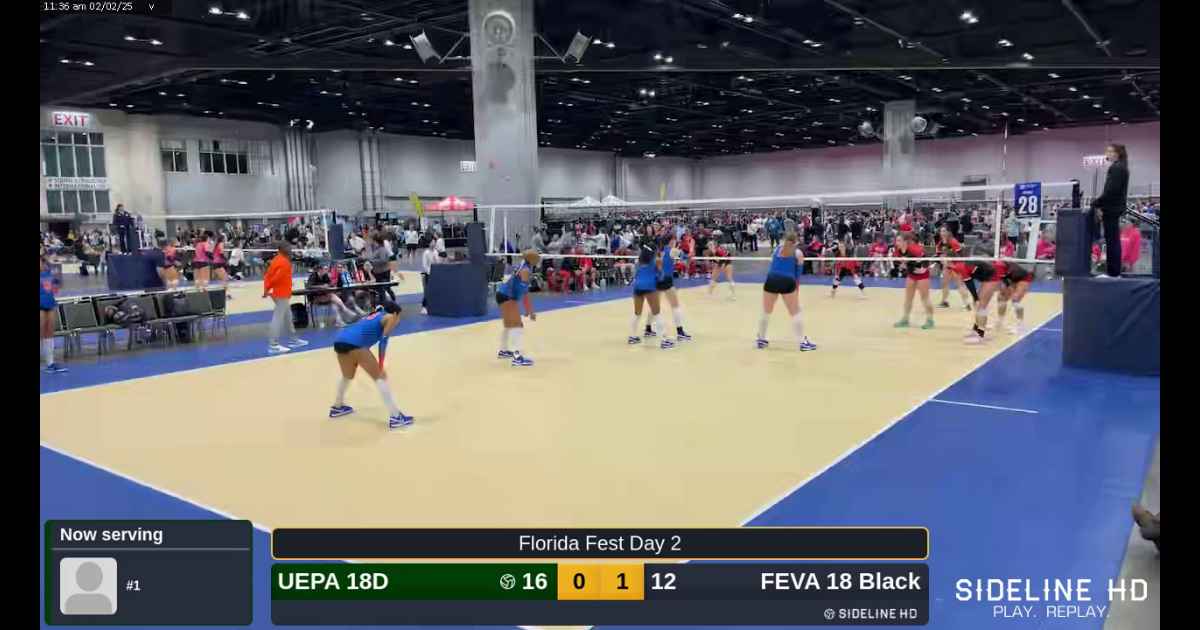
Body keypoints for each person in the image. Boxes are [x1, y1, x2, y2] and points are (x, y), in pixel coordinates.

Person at [330, 301, 413, 429]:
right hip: (356, 344)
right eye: (399, 317)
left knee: (347, 376)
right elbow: (383, 342)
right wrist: (381, 365)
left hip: (340, 341)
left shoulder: (375, 315)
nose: (399, 320)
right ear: (395, 313)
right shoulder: (390, 317)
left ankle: (337, 406)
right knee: (380, 378)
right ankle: (396, 417)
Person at [756, 232, 817, 351]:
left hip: (771, 279)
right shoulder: (798, 253)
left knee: (766, 311)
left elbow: (773, 266)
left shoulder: (776, 250)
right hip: (787, 281)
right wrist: (796, 290)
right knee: (795, 312)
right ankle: (802, 342)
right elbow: (798, 274)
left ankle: (761, 339)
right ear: (796, 242)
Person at [1091, 143, 1130, 278]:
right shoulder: (1121, 167)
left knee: (1112, 241)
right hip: (1114, 208)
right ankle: (1114, 272)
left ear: (1117, 153)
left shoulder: (1117, 168)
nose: (1106, 153)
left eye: (1109, 151)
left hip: (1112, 209)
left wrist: (1096, 202)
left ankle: (1113, 273)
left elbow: (1111, 191)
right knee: (1113, 241)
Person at [495, 250, 540, 367]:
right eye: (537, 257)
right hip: (507, 296)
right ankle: (517, 357)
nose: (538, 259)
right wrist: (530, 311)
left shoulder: (522, 265)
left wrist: (528, 310)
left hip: (502, 294)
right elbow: (525, 293)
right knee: (517, 326)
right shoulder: (525, 270)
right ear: (532, 259)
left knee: (509, 325)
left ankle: (503, 351)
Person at [644, 235, 692, 342]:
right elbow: (687, 256)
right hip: (666, 280)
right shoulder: (672, 250)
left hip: (656, 279)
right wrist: (690, 248)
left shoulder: (658, 251)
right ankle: (680, 332)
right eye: (674, 240)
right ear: (671, 241)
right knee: (675, 306)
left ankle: (648, 328)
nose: (676, 242)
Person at [262, 242, 308, 354]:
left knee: (288, 316)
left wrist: (267, 289)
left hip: (280, 292)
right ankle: (273, 345)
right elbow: (275, 278)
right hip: (280, 293)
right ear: (283, 249)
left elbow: (268, 275)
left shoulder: (277, 260)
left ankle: (293, 340)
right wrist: (267, 289)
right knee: (277, 318)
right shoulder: (283, 262)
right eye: (289, 248)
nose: (291, 249)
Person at [629, 240, 671, 349]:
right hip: (649, 287)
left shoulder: (638, 261)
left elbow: (635, 275)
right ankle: (664, 340)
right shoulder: (657, 261)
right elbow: (661, 276)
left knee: (637, 313)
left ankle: (632, 337)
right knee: (656, 313)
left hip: (637, 287)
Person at [893, 230, 935, 330]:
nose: (896, 243)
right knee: (908, 298)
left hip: (922, 275)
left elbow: (926, 260)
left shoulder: (915, 249)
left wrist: (923, 269)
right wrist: (902, 265)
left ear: (905, 241)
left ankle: (930, 320)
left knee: (924, 298)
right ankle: (905, 319)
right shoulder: (897, 251)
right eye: (896, 240)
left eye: (899, 241)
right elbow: (898, 263)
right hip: (911, 274)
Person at [307, 263, 360, 328]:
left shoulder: (325, 275)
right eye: (325, 269)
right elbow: (309, 286)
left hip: (324, 296)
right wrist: (321, 286)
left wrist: (329, 285)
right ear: (320, 270)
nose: (327, 270)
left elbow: (330, 284)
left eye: (327, 269)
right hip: (314, 298)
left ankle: (339, 321)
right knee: (332, 296)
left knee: (334, 304)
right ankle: (346, 311)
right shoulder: (313, 275)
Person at [40, 256, 67, 373]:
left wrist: (56, 283)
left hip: (50, 304)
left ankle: (50, 363)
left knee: (49, 334)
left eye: (41, 262)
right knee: (41, 333)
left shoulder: (49, 274)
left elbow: (56, 289)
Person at [935, 226, 973, 311]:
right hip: (947, 267)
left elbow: (961, 255)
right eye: (941, 231)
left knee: (960, 284)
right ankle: (944, 302)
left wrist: (952, 262)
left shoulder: (953, 241)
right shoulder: (940, 243)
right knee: (944, 284)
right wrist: (942, 259)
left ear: (948, 232)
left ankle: (967, 304)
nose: (942, 233)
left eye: (944, 231)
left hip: (956, 266)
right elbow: (939, 254)